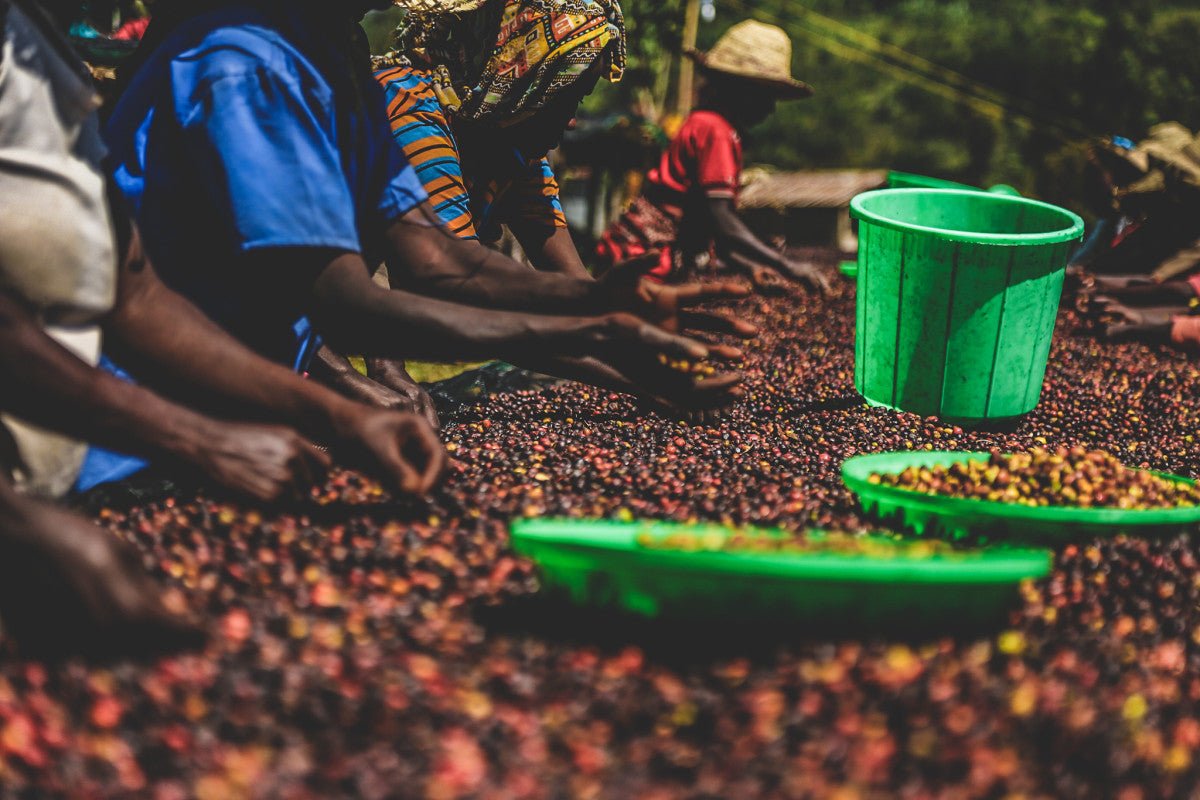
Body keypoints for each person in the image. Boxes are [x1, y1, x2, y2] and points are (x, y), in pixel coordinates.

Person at [103, 0, 747, 441]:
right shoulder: (251, 65)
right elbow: (332, 295)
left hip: (238, 383)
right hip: (164, 392)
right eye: (568, 92)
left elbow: (436, 260)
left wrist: (607, 307)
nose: (574, 115)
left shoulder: (339, 59)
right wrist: (605, 332)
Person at [597, 20, 829, 294]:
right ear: (740, 90)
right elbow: (722, 221)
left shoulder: (706, 123)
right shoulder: (716, 131)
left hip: (637, 253)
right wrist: (788, 265)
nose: (771, 109)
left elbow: (707, 222)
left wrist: (750, 267)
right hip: (644, 259)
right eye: (766, 95)